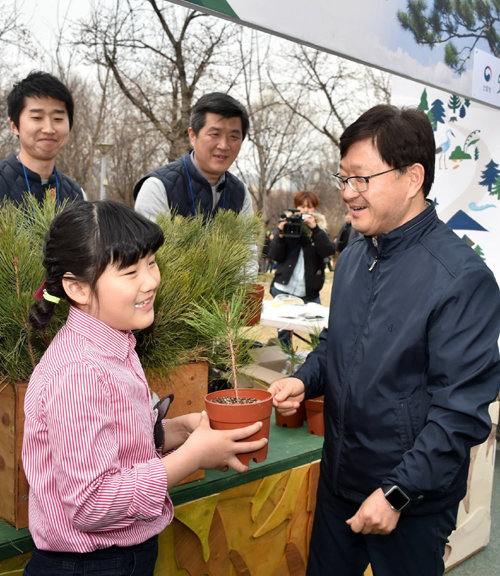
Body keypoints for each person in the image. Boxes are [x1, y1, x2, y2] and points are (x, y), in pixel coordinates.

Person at [269, 105, 500, 576]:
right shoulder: (355, 255)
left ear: (412, 177)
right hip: (340, 483)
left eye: (361, 179)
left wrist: (397, 492)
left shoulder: (461, 279)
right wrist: (305, 380)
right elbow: (339, 343)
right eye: (343, 178)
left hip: (409, 504)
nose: (348, 194)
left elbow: (459, 413)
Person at [22, 200, 266, 576]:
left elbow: (111, 447)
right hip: (87, 567)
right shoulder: (79, 373)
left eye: (151, 262)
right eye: (130, 271)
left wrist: (175, 432)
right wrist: (192, 457)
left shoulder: (113, 343)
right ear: (78, 288)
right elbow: (90, 503)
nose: (151, 280)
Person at [134, 92, 253, 223]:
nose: (224, 146)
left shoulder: (241, 194)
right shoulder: (157, 188)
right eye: (215, 134)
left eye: (234, 137)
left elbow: (247, 243)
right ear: (192, 136)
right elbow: (150, 243)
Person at [0, 71, 85, 208]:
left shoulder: (76, 195)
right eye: (37, 118)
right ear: (14, 126)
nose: (49, 129)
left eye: (58, 119)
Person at [268, 190, 336, 349]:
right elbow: (274, 256)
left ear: (315, 209)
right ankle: (285, 363)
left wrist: (315, 229)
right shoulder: (288, 224)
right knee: (283, 333)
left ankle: (320, 366)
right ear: (296, 206)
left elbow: (328, 251)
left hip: (309, 292)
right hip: (284, 288)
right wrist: (281, 235)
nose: (305, 210)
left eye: (310, 207)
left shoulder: (320, 229)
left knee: (317, 333)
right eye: (302, 206)